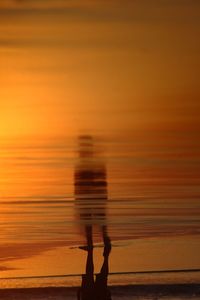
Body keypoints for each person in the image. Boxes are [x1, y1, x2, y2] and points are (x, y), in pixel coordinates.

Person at [75, 135, 112, 300]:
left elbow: (83, 183)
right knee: (97, 220)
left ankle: (99, 248)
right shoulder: (89, 166)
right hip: (94, 197)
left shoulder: (84, 166)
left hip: (89, 197)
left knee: (90, 221)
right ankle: (103, 247)